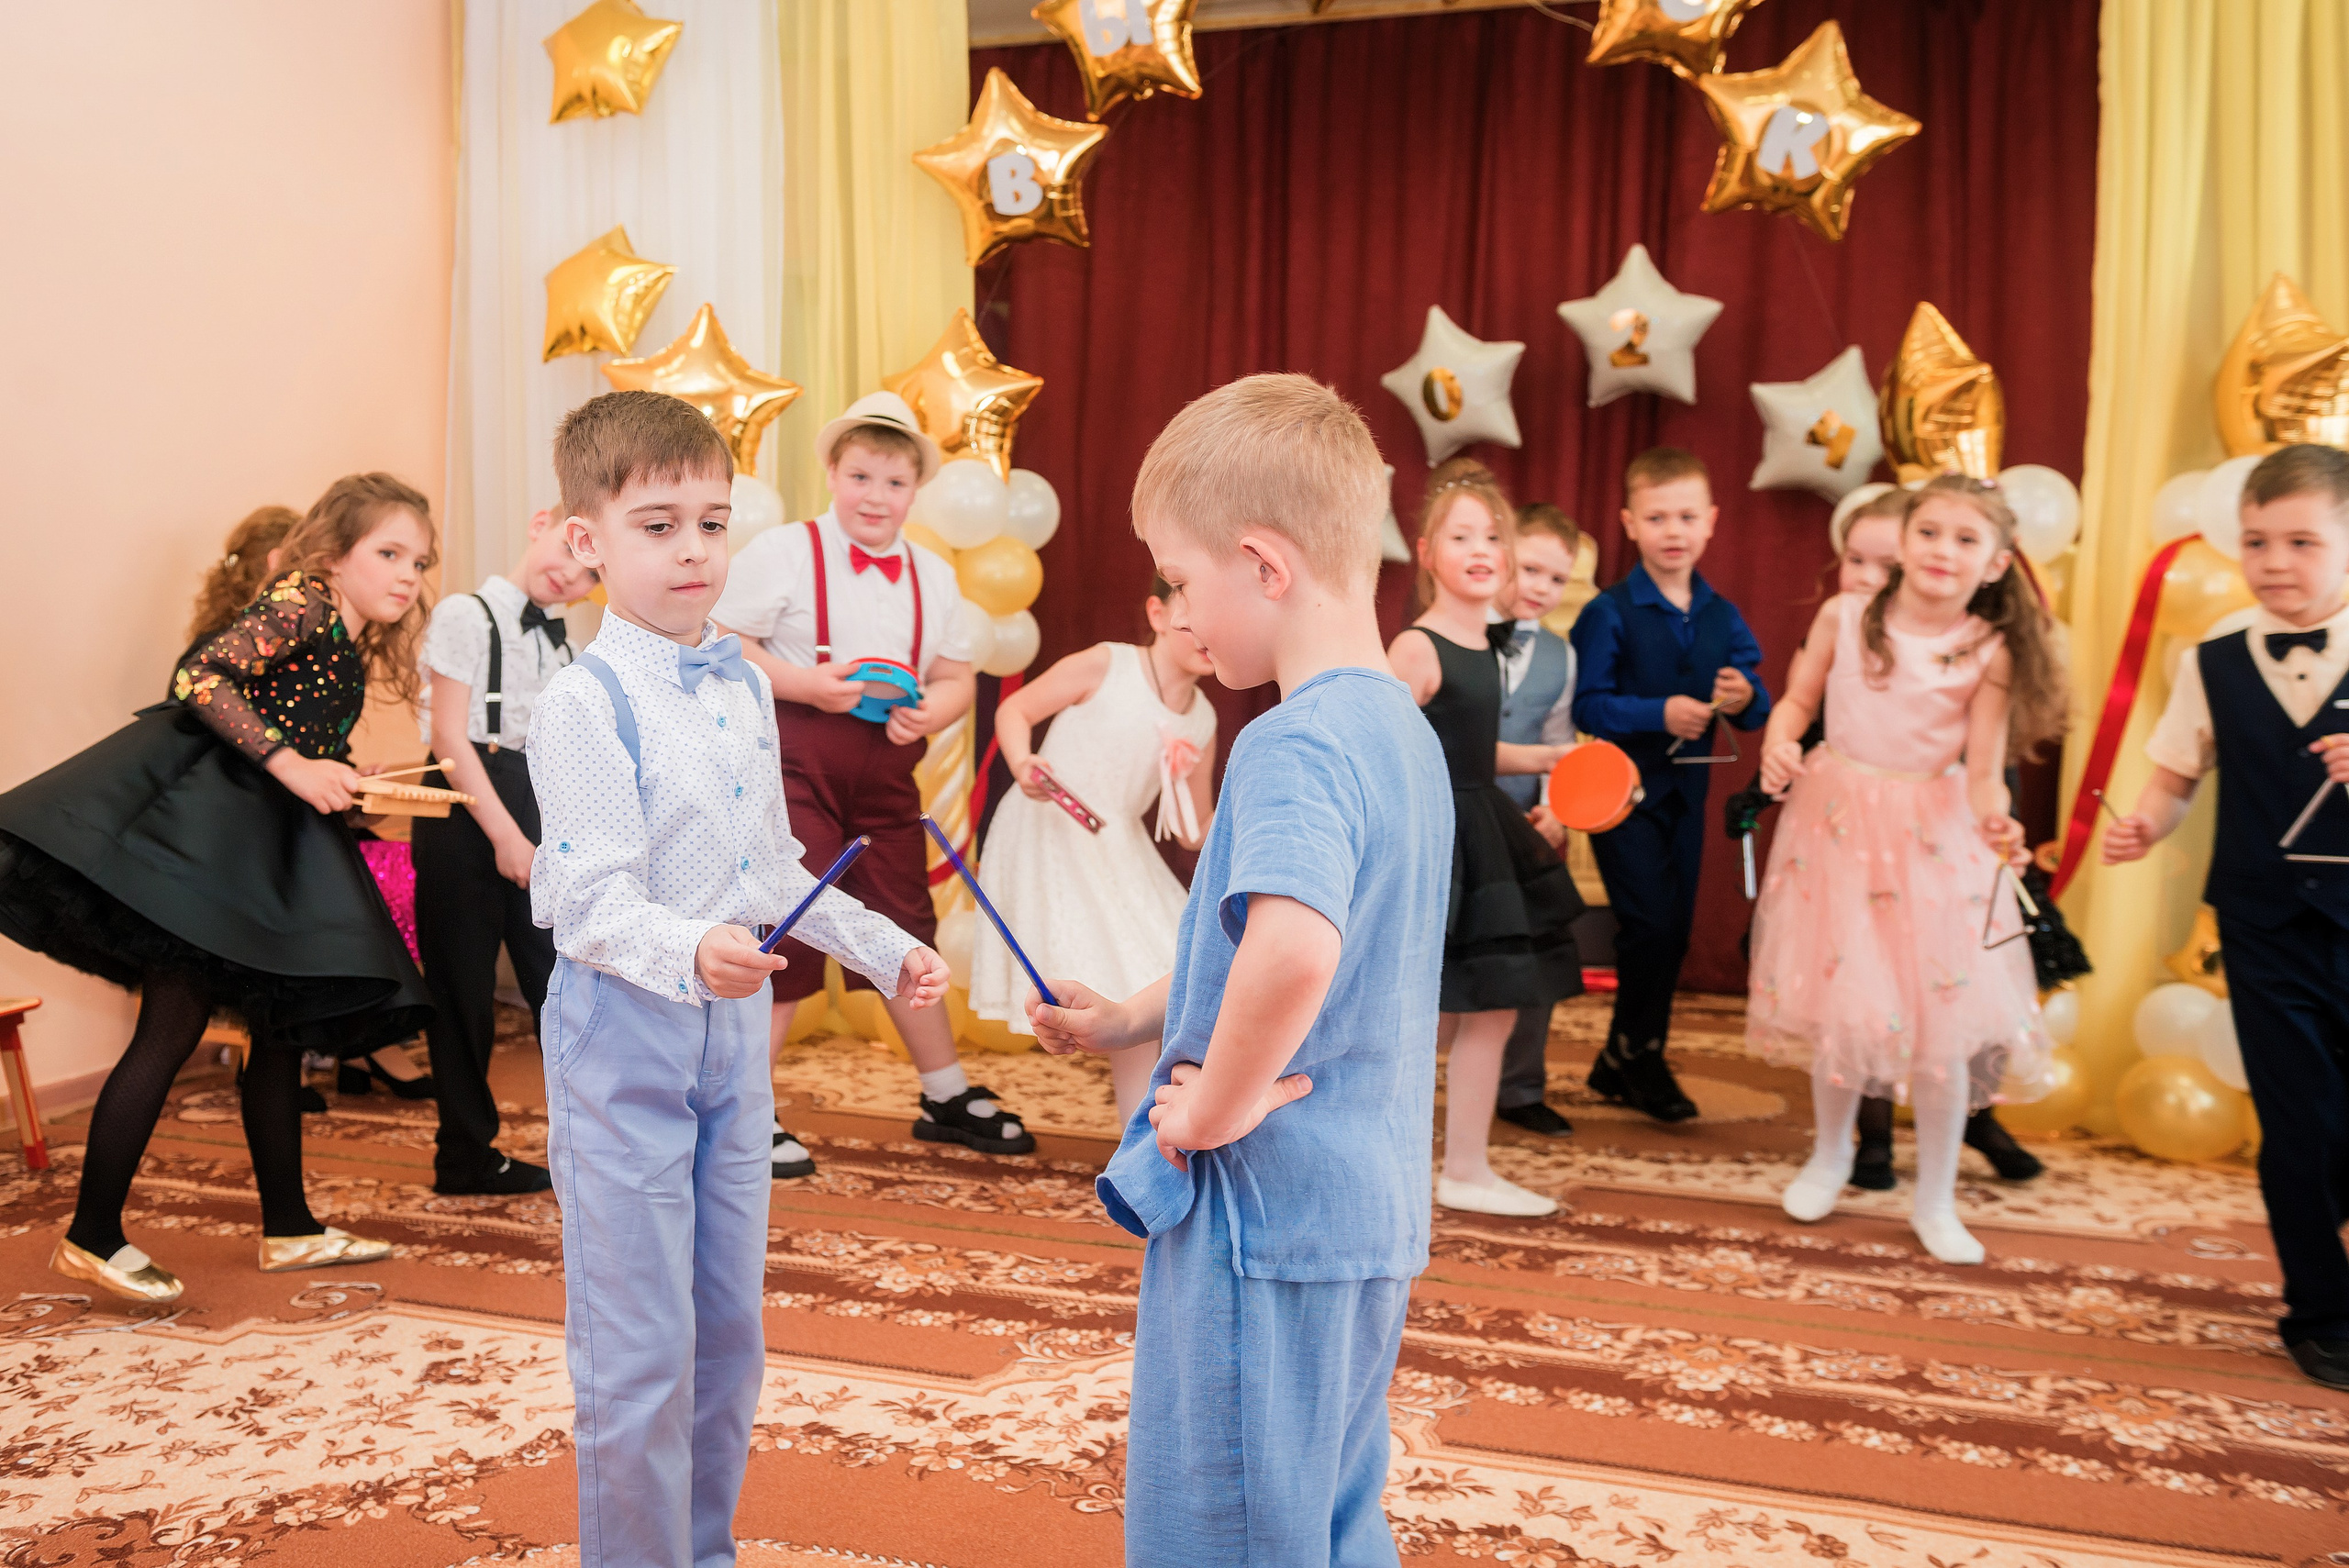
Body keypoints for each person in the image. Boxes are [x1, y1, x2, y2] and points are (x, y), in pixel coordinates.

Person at [1028, 373, 1449, 1568]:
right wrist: (1133, 1017)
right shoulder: (1399, 736)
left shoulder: (1291, 740)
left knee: (1224, 1531)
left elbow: (1297, 948)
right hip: (1361, 1211)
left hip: (1259, 1211)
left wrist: (1208, 1108)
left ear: (1265, 564)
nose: (1178, 610)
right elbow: (1274, 938)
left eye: (1181, 578)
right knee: (1329, 1511)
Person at [529, 389, 952, 1568]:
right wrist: (692, 950)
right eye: (658, 524)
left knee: (728, 1334)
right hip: (624, 1030)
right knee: (640, 1345)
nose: (693, 551)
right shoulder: (582, 701)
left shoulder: (742, 684)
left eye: (712, 522)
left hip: (731, 1036)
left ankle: (701, 1551)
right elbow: (588, 899)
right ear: (586, 540)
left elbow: (774, 866)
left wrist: (887, 948)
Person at [1, 475, 439, 1303]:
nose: (408, 574)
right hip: (208, 848)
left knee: (280, 1028)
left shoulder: (342, 629)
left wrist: (336, 769)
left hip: (261, 850)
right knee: (173, 1025)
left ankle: (291, 1228)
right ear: (334, 553)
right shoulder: (303, 598)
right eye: (388, 553)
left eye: (418, 560)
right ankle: (93, 1234)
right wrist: (291, 763)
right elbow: (200, 678)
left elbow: (293, 725)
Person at [1749, 473, 2065, 1265]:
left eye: (1966, 539)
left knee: (1942, 1027)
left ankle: (1936, 1198)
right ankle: (1830, 1156)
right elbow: (1796, 702)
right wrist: (1779, 741)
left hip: (1933, 836)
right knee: (1842, 1005)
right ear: (1903, 538)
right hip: (1839, 825)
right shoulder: (1845, 616)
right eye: (1931, 532)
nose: (1943, 551)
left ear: (1995, 564)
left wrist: (1998, 816)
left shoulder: (1986, 650)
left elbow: (1986, 766)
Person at [714, 390, 1028, 1179]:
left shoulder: (932, 572)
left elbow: (958, 676)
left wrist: (931, 714)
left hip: (887, 778)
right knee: (791, 922)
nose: (876, 497)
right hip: (792, 767)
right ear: (831, 472)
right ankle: (745, 1110)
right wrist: (805, 684)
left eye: (893, 483)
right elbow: (723, 640)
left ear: (915, 490)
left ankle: (943, 1093)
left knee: (902, 922)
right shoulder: (786, 550)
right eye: (861, 477)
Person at [2105, 442, 2349, 1388]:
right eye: (2255, 540)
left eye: (2301, 539)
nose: (2274, 560)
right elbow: (2174, 777)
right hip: (2262, 923)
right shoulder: (2209, 661)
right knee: (2299, 1117)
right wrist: (2143, 824)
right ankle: (2319, 1309)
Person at [1388, 459, 1583, 1217]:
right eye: (1459, 534)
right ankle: (1427, 1160)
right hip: (1441, 840)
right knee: (1434, 1011)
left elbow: (1469, 746)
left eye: (1492, 535)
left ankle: (1463, 1165)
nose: (1480, 547)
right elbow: (1388, 753)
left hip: (1480, 821)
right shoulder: (1418, 648)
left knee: (1489, 1004)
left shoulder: (1484, 642)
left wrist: (1545, 758)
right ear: (1428, 552)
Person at [1570, 447, 1771, 1121]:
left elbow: (1759, 701)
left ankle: (1627, 1053)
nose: (1673, 530)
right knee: (1648, 925)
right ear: (1630, 522)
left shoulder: (1722, 614)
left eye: (1686, 515)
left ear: (1711, 521)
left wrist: (1744, 696)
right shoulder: (1610, 611)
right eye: (1657, 517)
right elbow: (1587, 706)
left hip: (1687, 799)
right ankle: (1640, 1057)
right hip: (1622, 798)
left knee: (1674, 931)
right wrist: (1659, 712)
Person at [971, 573, 1218, 1122]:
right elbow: (1015, 712)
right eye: (1187, 617)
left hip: (1117, 844)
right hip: (1050, 828)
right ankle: (1142, 1144)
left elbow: (1192, 832)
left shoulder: (1202, 717)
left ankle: (1151, 1135)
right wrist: (1022, 763)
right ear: (1156, 614)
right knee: (1132, 981)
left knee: (1170, 976)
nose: (1202, 633)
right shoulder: (1108, 663)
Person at [411, 506, 596, 1194]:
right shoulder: (466, 613)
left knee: (560, 984)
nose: (571, 575)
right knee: (463, 994)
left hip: (536, 802)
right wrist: (508, 837)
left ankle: (586, 1149)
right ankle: (463, 1154)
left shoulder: (565, 644)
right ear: (541, 523)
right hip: (468, 805)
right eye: (570, 553)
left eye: (590, 575)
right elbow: (449, 739)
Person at [1491, 502, 1584, 1139]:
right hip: (1456, 817)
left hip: (1524, 824)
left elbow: (1559, 738)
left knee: (1535, 953)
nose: (1539, 588)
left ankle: (1521, 1086)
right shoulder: (1453, 632)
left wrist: (1558, 807)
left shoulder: (1562, 656)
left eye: (1555, 579)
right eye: (1529, 568)